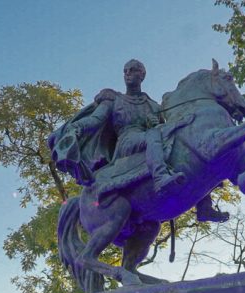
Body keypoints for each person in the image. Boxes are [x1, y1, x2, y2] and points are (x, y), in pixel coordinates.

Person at [50, 59, 228, 223]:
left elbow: (162, 123)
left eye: (133, 70)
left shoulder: (152, 105)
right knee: (154, 136)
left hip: (152, 137)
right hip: (128, 141)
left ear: (142, 75)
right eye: (125, 70)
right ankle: (160, 177)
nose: (128, 73)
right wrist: (78, 128)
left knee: (184, 142)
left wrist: (158, 123)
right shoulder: (114, 99)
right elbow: (96, 120)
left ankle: (204, 206)